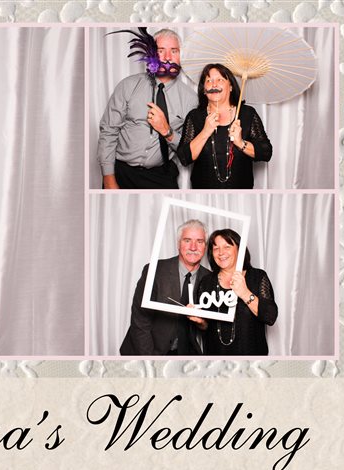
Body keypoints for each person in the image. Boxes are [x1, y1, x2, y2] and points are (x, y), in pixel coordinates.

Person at [98, 28, 197, 189]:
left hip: (161, 175)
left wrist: (167, 131)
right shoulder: (128, 86)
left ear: (181, 56)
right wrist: (109, 178)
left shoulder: (191, 99)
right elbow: (109, 131)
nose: (167, 57)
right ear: (151, 53)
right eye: (161, 51)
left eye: (174, 51)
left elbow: (190, 149)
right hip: (122, 172)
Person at [120, 219, 210, 355]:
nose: (193, 247)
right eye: (187, 240)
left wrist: (202, 323)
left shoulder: (209, 278)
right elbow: (140, 321)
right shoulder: (155, 271)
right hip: (147, 351)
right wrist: (151, 361)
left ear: (205, 246)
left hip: (185, 354)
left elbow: (210, 325)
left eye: (199, 241)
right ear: (178, 244)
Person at [177, 63, 273, 188]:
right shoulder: (195, 116)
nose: (214, 85)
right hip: (203, 193)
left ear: (231, 87)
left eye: (220, 80)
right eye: (209, 81)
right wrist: (205, 132)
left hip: (241, 193)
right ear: (204, 90)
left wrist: (240, 143)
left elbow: (266, 153)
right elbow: (184, 158)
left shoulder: (247, 114)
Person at [190, 229, 278, 355]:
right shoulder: (206, 282)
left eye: (227, 246)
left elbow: (270, 317)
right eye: (216, 248)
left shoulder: (257, 277)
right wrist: (200, 321)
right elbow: (207, 327)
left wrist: (245, 293)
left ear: (239, 250)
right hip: (215, 359)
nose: (221, 252)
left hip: (251, 359)